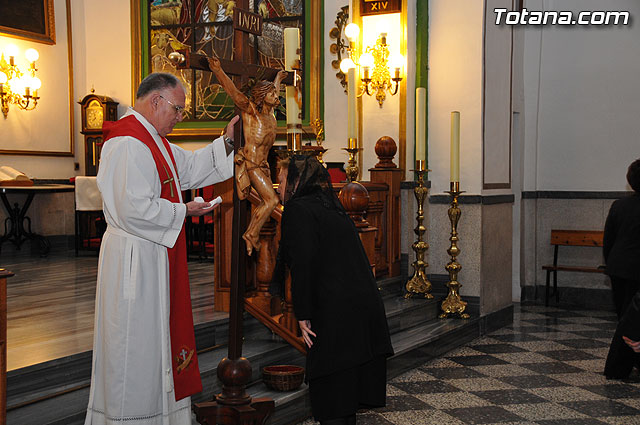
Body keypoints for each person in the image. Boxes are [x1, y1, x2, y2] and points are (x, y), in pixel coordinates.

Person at [84, 72, 236, 424]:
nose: (179, 117)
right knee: (134, 347)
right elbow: (130, 208)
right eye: (177, 110)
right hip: (133, 265)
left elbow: (192, 167)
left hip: (154, 258)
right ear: (156, 101)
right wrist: (184, 210)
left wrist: (227, 141)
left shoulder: (154, 141)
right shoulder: (125, 143)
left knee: (157, 345)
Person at [273, 155, 394, 425]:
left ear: (294, 182)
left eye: (280, 181)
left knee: (332, 401)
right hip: (362, 314)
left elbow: (303, 264)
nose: (277, 188)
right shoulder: (329, 207)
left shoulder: (298, 210)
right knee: (345, 397)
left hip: (336, 317)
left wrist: (302, 313)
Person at [207, 56, 287, 256]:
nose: (276, 96)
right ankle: (251, 234)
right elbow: (233, 92)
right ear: (261, 96)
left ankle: (252, 233)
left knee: (268, 201)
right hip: (251, 165)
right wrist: (217, 70)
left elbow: (274, 95)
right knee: (271, 201)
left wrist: (278, 78)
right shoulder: (251, 111)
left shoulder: (271, 116)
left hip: (264, 166)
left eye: (275, 93)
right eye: (271, 93)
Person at [603, 158, 640, 379]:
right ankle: (619, 367)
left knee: (625, 318)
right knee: (633, 320)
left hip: (619, 269)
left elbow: (609, 240)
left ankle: (620, 367)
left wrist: (611, 264)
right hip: (636, 271)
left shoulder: (619, 205)